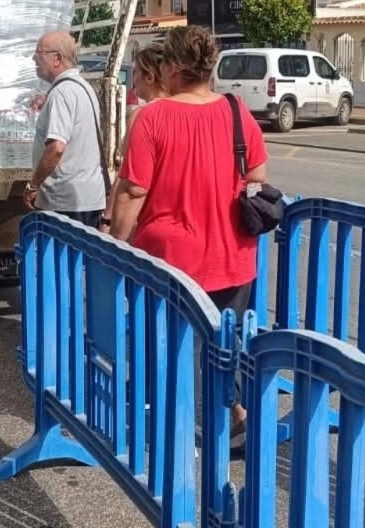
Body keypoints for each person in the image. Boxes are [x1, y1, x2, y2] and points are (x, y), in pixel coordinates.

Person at [109, 26, 269, 442]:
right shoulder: (238, 112)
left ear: (174, 66)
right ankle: (227, 422)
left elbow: (132, 191)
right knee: (223, 346)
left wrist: (115, 244)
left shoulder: (154, 117)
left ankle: (185, 435)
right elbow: (257, 178)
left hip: (170, 261)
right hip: (234, 255)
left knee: (173, 350)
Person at [25, 31, 108, 228]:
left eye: (40, 53)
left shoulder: (62, 93)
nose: (34, 58)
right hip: (85, 199)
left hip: (66, 201)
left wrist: (34, 185)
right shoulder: (82, 87)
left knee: (62, 257)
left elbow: (56, 148)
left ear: (58, 59)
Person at [100, 46, 167, 231]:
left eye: (136, 72)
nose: (133, 80)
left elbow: (127, 175)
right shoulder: (182, 110)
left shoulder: (141, 115)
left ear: (149, 77)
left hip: (144, 216)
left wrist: (108, 218)